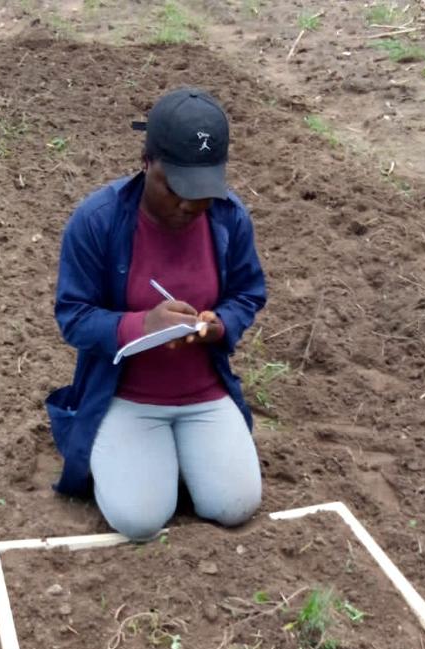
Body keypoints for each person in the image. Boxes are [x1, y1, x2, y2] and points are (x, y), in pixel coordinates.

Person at [46, 87, 266, 540]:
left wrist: (221, 323)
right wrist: (140, 325)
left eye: (203, 192)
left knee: (235, 505)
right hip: (128, 397)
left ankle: (178, 458)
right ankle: (149, 459)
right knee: (139, 520)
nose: (189, 205)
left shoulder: (229, 218)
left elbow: (248, 292)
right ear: (148, 162)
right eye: (176, 188)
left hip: (203, 393)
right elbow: (72, 315)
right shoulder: (97, 220)